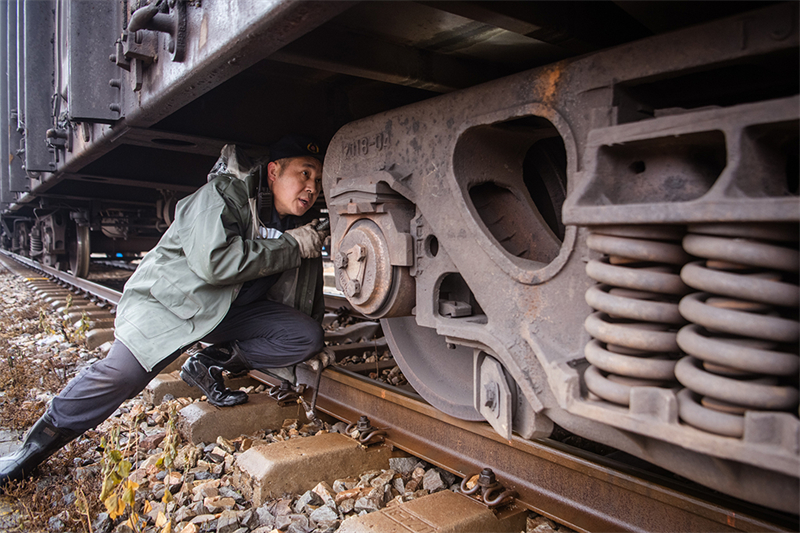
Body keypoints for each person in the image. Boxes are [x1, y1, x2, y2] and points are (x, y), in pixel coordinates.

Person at [0, 134, 330, 487]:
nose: (312, 187)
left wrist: (312, 343)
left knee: (305, 336)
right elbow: (215, 264)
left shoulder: (301, 225)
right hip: (170, 305)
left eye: (318, 181)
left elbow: (308, 291)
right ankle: (32, 448)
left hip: (224, 313)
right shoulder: (222, 196)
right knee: (121, 375)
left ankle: (208, 362)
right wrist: (290, 247)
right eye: (305, 174)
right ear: (274, 172)